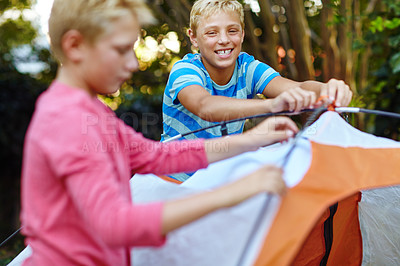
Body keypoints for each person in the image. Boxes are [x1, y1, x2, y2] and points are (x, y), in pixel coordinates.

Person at [19, 0, 298, 265]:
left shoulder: (92, 112)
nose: (134, 64)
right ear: (75, 46)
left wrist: (252, 139)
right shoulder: (67, 120)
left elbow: (156, 155)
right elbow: (113, 224)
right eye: (120, 50)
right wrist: (232, 194)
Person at [161, 0, 353, 142]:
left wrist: (327, 90)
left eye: (232, 31)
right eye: (212, 33)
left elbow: (296, 87)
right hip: (175, 181)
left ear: (243, 34)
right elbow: (205, 107)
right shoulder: (185, 70)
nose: (224, 40)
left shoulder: (247, 68)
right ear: (193, 38)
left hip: (218, 178)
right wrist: (272, 106)